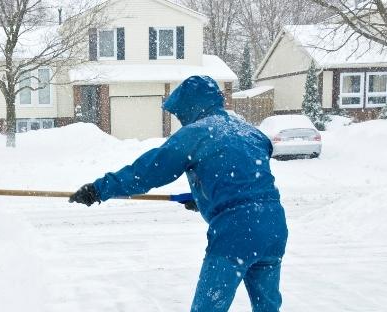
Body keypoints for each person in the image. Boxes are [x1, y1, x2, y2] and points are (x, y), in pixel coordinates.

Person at [68, 75, 288, 312]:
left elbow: (149, 172)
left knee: (209, 307)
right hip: (274, 226)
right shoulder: (249, 132)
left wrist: (99, 189)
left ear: (191, 105)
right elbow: (243, 175)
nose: (179, 118)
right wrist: (205, 197)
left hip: (236, 232)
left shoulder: (197, 133)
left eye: (180, 111)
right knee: (267, 307)